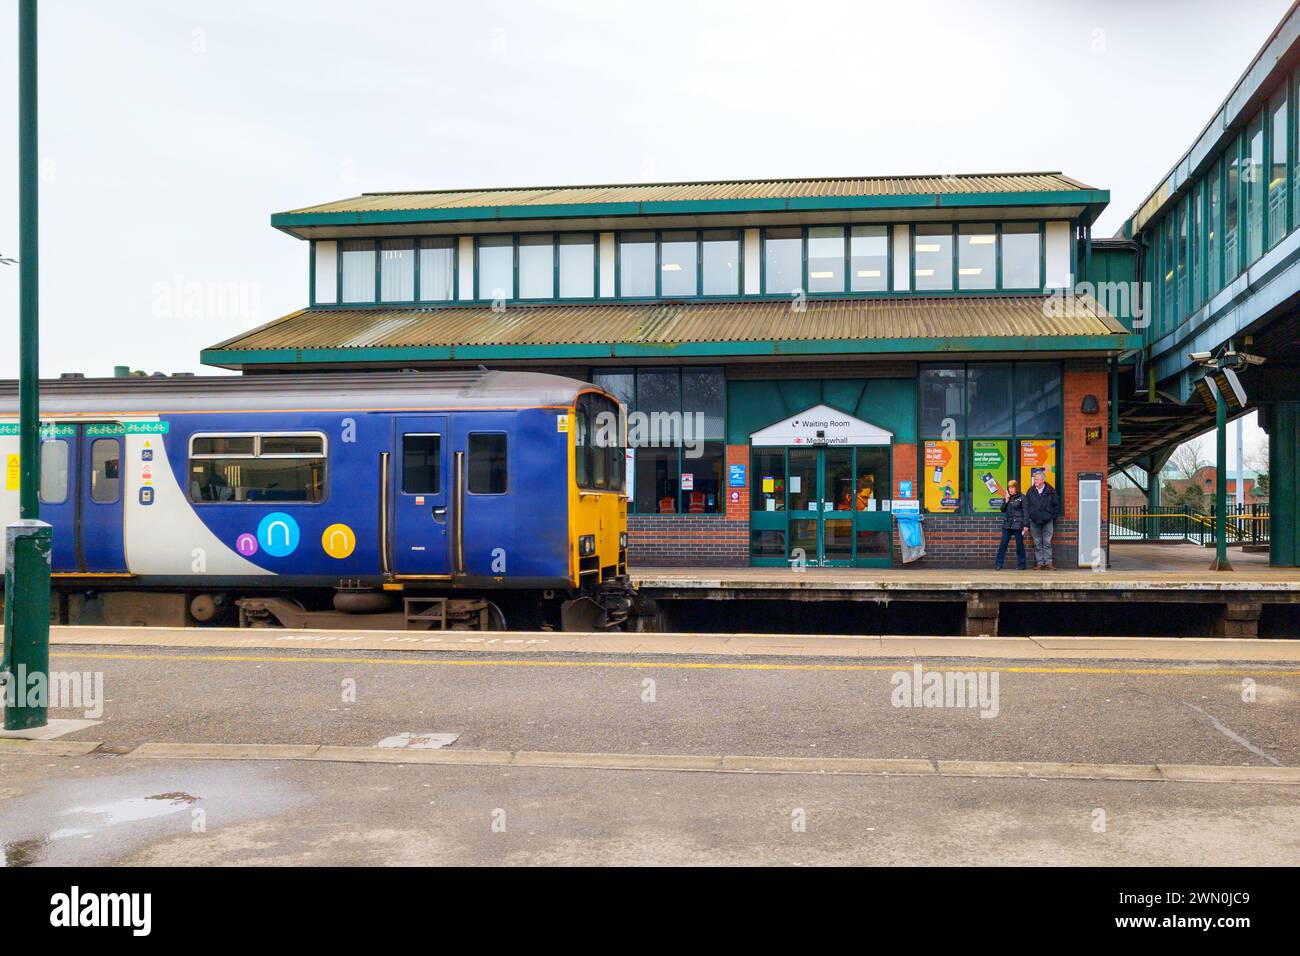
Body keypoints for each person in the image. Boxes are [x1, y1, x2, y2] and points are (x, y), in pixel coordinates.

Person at [1024, 468, 1062, 570]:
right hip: (1034, 521)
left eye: (1036, 479)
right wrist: (1029, 518)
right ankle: (1040, 563)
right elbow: (1026, 506)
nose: (1034, 481)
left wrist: (1051, 516)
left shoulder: (1051, 491)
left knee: (1047, 542)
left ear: (1042, 480)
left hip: (1047, 521)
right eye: (1034, 479)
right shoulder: (1030, 491)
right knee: (1037, 543)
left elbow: (1057, 505)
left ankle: (1048, 563)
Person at [995, 479, 1027, 570]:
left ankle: (1022, 564)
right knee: (1003, 544)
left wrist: (1025, 525)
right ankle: (998, 564)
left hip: (1018, 525)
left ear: (1017, 488)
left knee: (1019, 545)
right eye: (1009, 487)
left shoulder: (1022, 498)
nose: (1011, 489)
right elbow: (1002, 509)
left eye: (1012, 487)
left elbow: (1026, 512)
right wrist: (1006, 500)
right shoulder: (1007, 497)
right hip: (1007, 525)